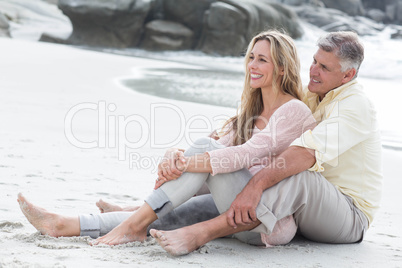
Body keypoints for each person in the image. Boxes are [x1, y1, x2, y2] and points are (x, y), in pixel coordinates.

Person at [17, 30, 315, 247]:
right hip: (228, 210)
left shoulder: (294, 111)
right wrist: (175, 156)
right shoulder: (252, 110)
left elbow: (245, 155)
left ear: (282, 67)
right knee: (163, 215)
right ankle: (64, 225)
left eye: (262, 59)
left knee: (200, 156)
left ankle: (133, 217)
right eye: (251, 57)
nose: (252, 65)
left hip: (266, 222)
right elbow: (219, 149)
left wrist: (184, 162)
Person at [148, 31, 383, 256]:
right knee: (218, 169)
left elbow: (305, 154)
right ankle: (139, 214)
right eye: (314, 61)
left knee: (297, 174)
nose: (313, 71)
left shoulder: (355, 106)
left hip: (348, 216)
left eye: (324, 67)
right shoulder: (312, 93)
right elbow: (248, 131)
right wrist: (187, 154)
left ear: (348, 75)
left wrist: (254, 188)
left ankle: (201, 233)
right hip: (295, 206)